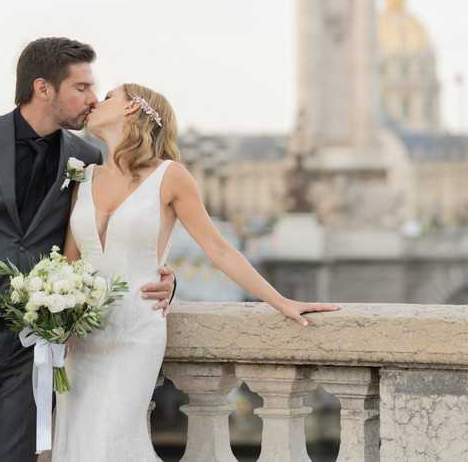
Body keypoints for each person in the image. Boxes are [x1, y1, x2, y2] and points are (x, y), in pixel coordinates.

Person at [0, 38, 175, 462]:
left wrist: (162, 275)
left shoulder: (86, 158)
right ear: (43, 88)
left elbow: (108, 233)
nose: (92, 99)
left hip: (31, 348)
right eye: (82, 88)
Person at [52, 83, 341, 461]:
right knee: (76, 440)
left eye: (108, 96)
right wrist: (55, 317)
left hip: (134, 332)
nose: (94, 102)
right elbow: (70, 264)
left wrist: (281, 301)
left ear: (131, 110)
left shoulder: (171, 176)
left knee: (114, 439)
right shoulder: (83, 178)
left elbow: (218, 248)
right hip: (83, 338)